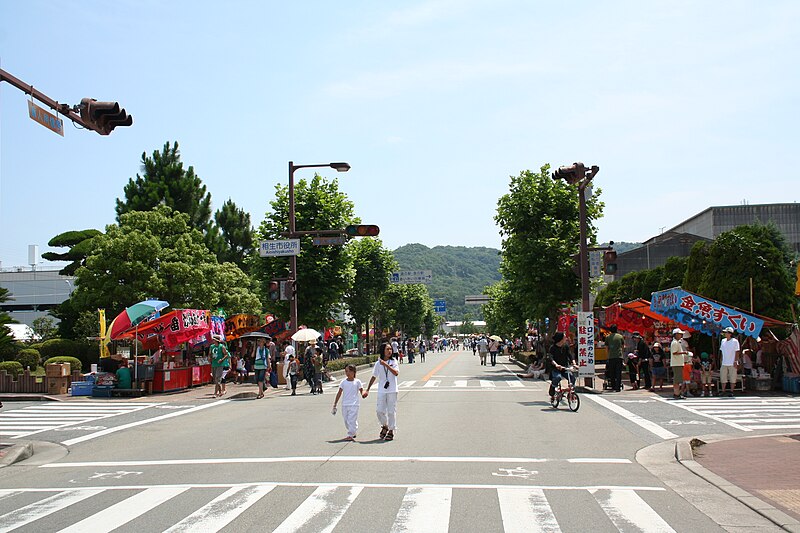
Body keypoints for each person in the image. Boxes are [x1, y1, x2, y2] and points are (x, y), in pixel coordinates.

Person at [363, 342, 400, 441]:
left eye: (390, 349)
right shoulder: (378, 364)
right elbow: (374, 376)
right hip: (382, 390)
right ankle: (385, 425)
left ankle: (391, 430)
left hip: (392, 390)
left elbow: (396, 373)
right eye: (387, 349)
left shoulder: (394, 361)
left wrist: (386, 365)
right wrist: (367, 389)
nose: (389, 351)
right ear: (383, 350)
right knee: (379, 411)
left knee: (391, 411)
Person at [332, 364, 364, 441]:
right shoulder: (343, 382)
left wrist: (364, 394)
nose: (348, 373)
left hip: (354, 404)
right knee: (346, 420)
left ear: (354, 372)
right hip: (345, 404)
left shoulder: (357, 382)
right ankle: (353, 430)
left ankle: (350, 434)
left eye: (350, 371)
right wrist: (335, 404)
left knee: (351, 419)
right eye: (346, 371)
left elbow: (361, 391)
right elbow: (339, 393)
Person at [547, 332, 575, 401]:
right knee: (557, 377)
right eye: (564, 337)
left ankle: (570, 393)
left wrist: (574, 363)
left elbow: (570, 356)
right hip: (556, 368)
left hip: (564, 367)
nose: (566, 338)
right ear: (561, 339)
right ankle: (553, 386)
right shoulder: (552, 348)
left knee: (572, 378)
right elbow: (551, 358)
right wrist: (556, 365)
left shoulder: (566, 346)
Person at [719, 327, 741, 397]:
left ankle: (731, 391)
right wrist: (721, 360)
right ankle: (723, 390)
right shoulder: (723, 341)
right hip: (724, 362)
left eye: (726, 332)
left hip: (732, 362)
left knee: (732, 377)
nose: (725, 334)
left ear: (730, 333)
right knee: (723, 377)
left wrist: (735, 361)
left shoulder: (735, 341)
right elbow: (722, 351)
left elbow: (737, 351)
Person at [670, 328, 689, 399]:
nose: (681, 335)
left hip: (678, 363)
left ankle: (677, 393)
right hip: (676, 363)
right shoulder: (675, 342)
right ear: (676, 335)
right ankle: (676, 393)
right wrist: (684, 352)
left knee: (678, 379)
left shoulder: (677, 342)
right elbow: (674, 352)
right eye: (680, 334)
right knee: (677, 379)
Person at [605, 325, 625, 392]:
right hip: (619, 356)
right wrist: (622, 353)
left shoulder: (608, 337)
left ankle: (613, 386)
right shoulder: (620, 336)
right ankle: (618, 387)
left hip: (611, 357)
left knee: (612, 372)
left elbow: (607, 348)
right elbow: (622, 346)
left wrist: (608, 355)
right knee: (618, 372)